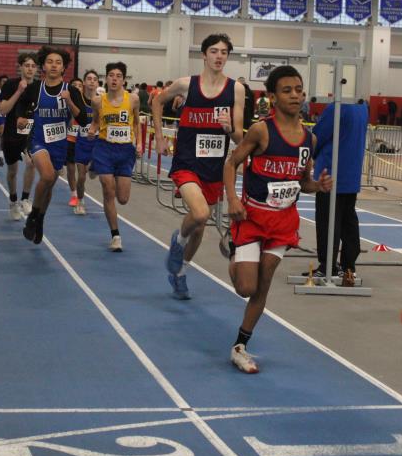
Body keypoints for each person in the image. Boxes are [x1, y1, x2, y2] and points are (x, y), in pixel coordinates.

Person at [224, 66, 332, 373]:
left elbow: (303, 181)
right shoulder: (261, 131)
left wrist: (318, 186)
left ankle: (240, 346)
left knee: (263, 284)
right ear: (272, 97)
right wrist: (232, 199)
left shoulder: (310, 139)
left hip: (283, 222)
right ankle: (234, 252)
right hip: (252, 217)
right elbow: (231, 164)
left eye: (298, 89)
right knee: (246, 287)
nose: (295, 95)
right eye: (287, 91)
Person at [154, 33, 245, 299]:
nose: (219, 56)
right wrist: (159, 136)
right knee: (201, 213)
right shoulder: (186, 84)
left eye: (224, 52)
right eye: (214, 51)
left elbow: (239, 136)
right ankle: (178, 241)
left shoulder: (236, 90)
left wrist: (229, 128)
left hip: (214, 167)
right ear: (204, 55)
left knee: (200, 226)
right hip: (187, 162)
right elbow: (157, 101)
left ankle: (180, 271)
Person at [22, 46, 90, 245]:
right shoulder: (36, 88)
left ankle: (40, 220)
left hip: (59, 144)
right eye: (50, 62)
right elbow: (22, 107)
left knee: (49, 183)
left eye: (58, 62)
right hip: (38, 140)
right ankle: (33, 215)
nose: (54, 65)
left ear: (63, 68)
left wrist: (69, 102)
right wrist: (20, 118)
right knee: (47, 176)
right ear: (43, 66)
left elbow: (83, 120)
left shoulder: (71, 91)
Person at [310, 96, 368, 285]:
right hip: (351, 172)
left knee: (327, 221)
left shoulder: (337, 107)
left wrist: (311, 154)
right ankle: (348, 266)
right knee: (348, 220)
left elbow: (318, 136)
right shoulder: (362, 106)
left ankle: (327, 266)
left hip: (330, 173)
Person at [88, 62, 140, 252]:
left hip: (125, 151)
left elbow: (136, 123)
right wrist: (92, 130)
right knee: (108, 190)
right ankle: (115, 236)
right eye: (111, 75)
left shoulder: (133, 99)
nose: (114, 79)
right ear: (106, 78)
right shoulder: (98, 101)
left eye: (118, 76)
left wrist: (139, 143)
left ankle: (94, 166)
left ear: (124, 80)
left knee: (123, 198)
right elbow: (95, 122)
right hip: (104, 149)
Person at [0, 53, 41, 220]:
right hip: (11, 134)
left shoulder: (39, 87)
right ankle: (13, 201)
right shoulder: (10, 85)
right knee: (12, 171)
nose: (30, 69)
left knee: (31, 162)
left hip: (31, 133)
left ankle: (25, 199)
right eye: (27, 65)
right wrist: (19, 91)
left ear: (36, 69)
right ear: (20, 67)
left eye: (33, 66)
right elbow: (3, 110)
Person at [72, 70, 100, 215]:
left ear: (98, 83)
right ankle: (80, 201)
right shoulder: (79, 100)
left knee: (94, 171)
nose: (92, 81)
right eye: (89, 78)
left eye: (94, 79)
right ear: (84, 82)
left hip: (97, 143)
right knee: (81, 177)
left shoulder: (102, 101)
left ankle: (94, 166)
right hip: (82, 142)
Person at [64, 77, 85, 207]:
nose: (77, 87)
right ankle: (74, 195)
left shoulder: (89, 102)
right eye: (74, 85)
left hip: (84, 140)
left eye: (79, 85)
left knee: (82, 174)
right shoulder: (65, 103)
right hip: (70, 138)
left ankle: (80, 191)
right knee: (71, 169)